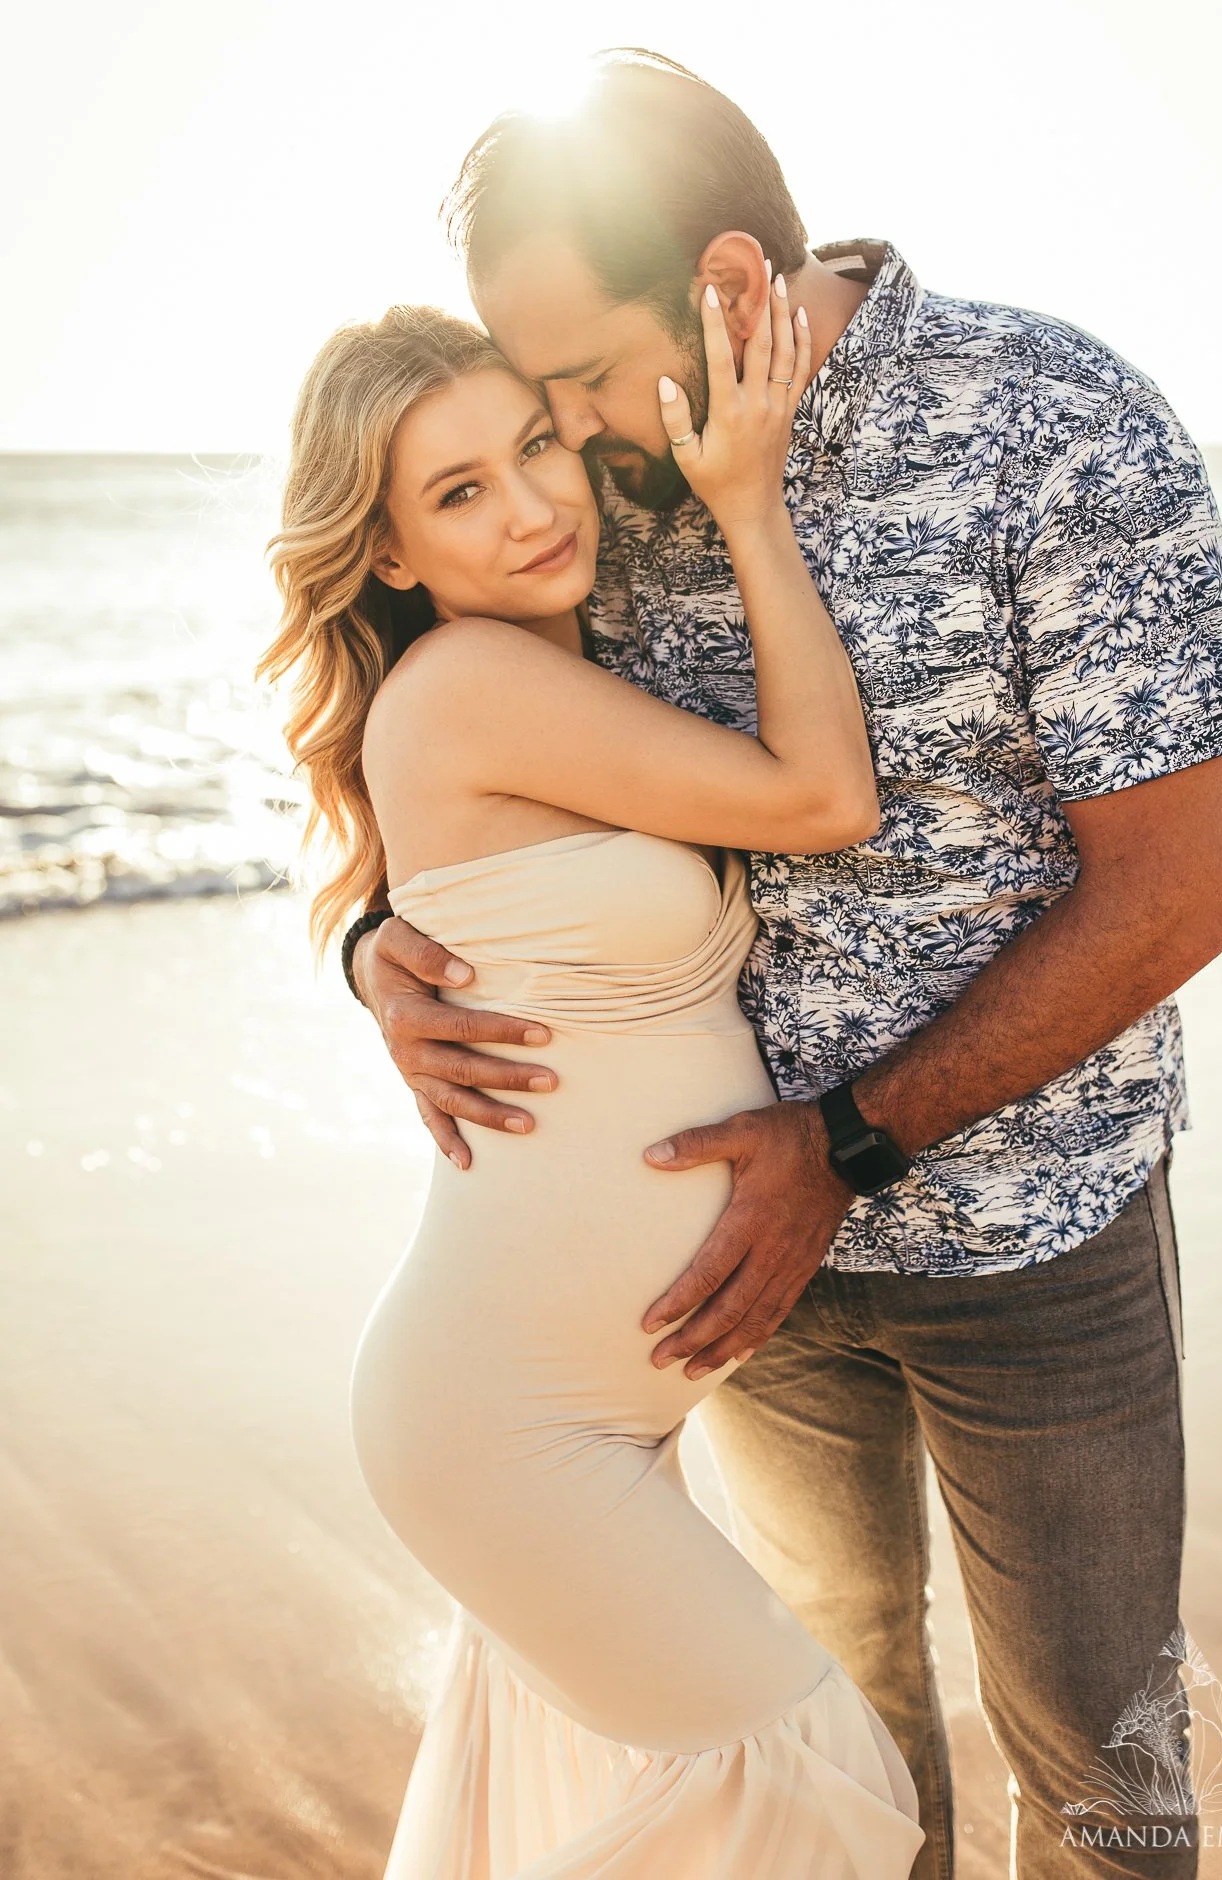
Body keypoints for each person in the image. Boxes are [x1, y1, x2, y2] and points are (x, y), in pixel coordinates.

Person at [347, 52, 1222, 1879]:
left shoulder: (1061, 425)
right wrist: (384, 948)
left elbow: (1173, 903)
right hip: (738, 1289)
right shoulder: (604, 509)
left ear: (732, 288)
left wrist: (839, 1145)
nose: (574, 442)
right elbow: (489, 773)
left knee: (1101, 1770)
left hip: (1031, 1238)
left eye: (587, 380)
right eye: (536, 402)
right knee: (837, 1753)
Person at [260, 286, 925, 1878]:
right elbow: (825, 796)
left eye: (537, 444)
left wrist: (365, 952)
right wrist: (748, 503)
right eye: (460, 491)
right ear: (393, 554)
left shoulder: (568, 673)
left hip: (578, 1422)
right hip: (505, 1427)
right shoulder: (475, 684)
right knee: (822, 1788)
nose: (536, 503)